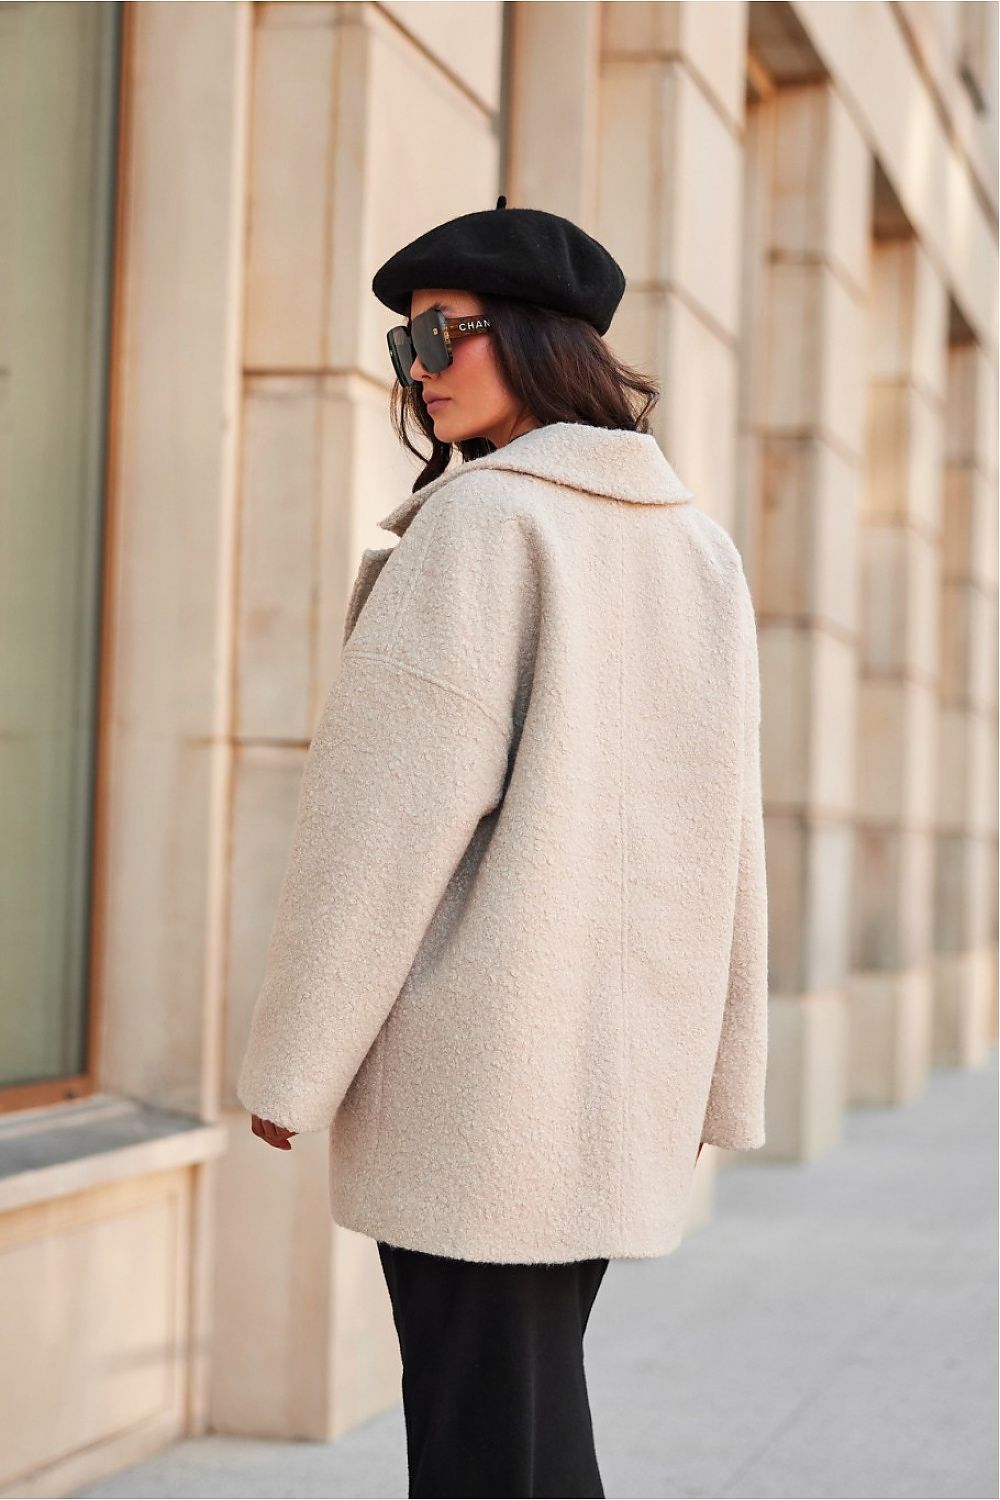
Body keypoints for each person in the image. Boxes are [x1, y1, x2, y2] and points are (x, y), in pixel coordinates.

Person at [236, 196, 769, 1498]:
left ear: (533, 338)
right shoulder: (698, 550)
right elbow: (728, 841)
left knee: (487, 1445)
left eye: (441, 333)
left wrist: (295, 1063)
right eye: (404, 344)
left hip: (479, 1078)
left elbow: (383, 829)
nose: (417, 369)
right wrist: (723, 1071)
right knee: (524, 1422)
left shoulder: (482, 526)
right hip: (612, 1078)